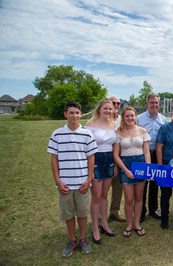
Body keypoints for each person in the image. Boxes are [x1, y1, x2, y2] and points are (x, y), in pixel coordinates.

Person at [48, 101, 97, 257]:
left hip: (82, 183)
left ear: (80, 114)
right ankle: (72, 239)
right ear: (65, 114)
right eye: (71, 113)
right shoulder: (57, 134)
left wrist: (89, 179)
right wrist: (58, 182)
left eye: (77, 113)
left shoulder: (87, 134)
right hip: (65, 184)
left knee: (82, 213)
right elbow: (54, 159)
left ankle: (82, 239)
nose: (74, 116)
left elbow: (91, 158)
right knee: (68, 214)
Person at [113, 107, 150, 237]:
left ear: (135, 117)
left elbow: (146, 152)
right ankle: (129, 224)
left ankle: (137, 224)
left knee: (139, 197)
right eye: (127, 116)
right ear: (123, 117)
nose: (130, 118)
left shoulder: (142, 131)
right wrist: (125, 170)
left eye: (132, 116)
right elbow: (116, 155)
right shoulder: (119, 132)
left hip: (140, 164)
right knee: (129, 198)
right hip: (125, 165)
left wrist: (148, 169)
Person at [85, 99, 117, 245]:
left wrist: (115, 165)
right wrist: (89, 168)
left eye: (110, 109)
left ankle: (105, 224)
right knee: (96, 196)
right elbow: (85, 148)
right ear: (99, 109)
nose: (108, 111)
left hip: (109, 159)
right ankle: (95, 228)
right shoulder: (90, 125)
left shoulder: (113, 125)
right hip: (95, 160)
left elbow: (116, 146)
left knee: (105, 194)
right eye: (105, 109)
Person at [137, 93, 167, 221]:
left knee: (154, 183)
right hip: (143, 154)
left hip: (157, 154)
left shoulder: (163, 119)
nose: (154, 105)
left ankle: (153, 209)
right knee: (142, 184)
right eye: (152, 102)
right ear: (147, 103)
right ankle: (141, 211)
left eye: (156, 103)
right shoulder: (139, 118)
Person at [108, 96, 125, 222]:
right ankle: (99, 217)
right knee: (102, 189)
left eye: (118, 103)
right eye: (113, 103)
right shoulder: (103, 119)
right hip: (104, 156)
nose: (116, 105)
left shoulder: (122, 120)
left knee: (118, 186)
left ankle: (114, 211)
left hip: (119, 157)